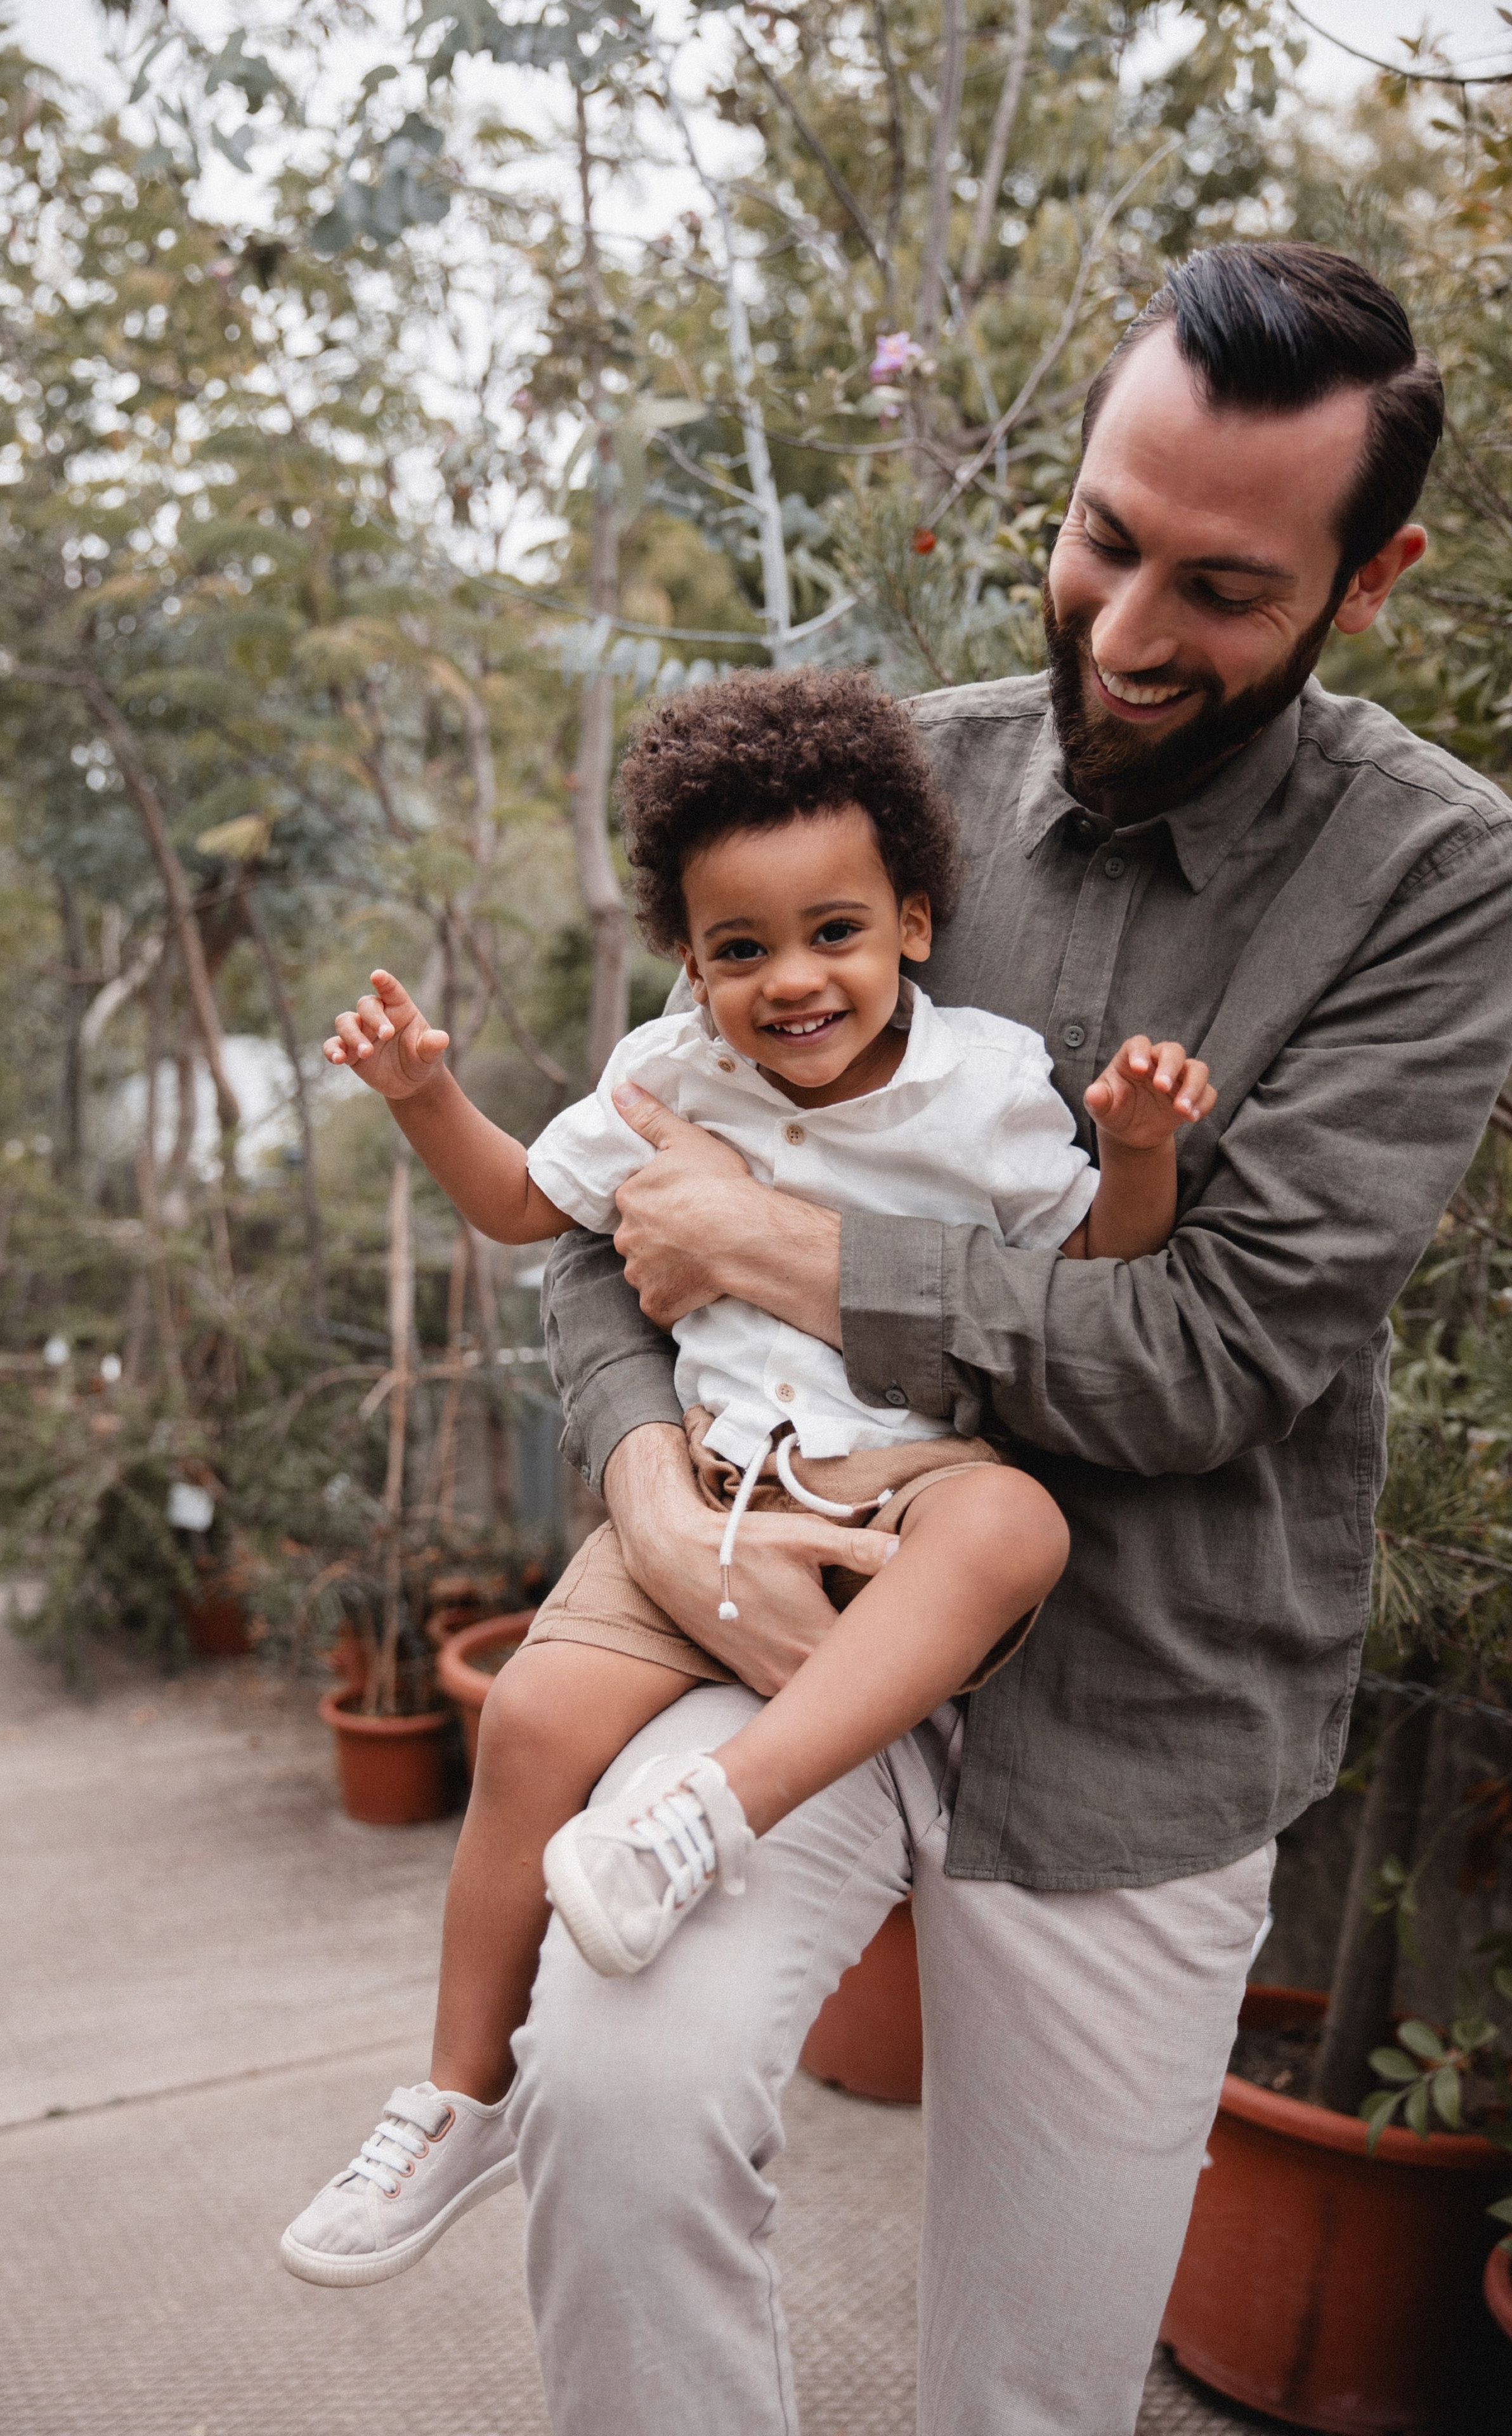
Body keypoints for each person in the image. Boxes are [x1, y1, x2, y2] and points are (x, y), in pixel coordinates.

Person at [504, 242, 1512, 2436]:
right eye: (1101, 537)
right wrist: (647, 1491)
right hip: (782, 1635)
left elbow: (1209, 1355)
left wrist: (787, 1249)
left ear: (1373, 579)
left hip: (1146, 1706)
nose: (1130, 632)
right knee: (609, 2098)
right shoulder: (883, 795)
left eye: (1223, 591)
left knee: (1029, 2394)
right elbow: (606, 1217)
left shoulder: (1437, 881)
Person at [280, 667, 1217, 2289]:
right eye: (738, 949)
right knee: (528, 1722)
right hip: (710, 1481)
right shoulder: (664, 1078)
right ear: (688, 959)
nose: (790, 979)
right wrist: (424, 1093)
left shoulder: (985, 1086)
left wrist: (1136, 1150)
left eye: (832, 932)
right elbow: (524, 1211)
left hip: (905, 1471)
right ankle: (456, 2095)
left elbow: (1097, 1270)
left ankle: (708, 1816)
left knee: (1013, 1520)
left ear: (911, 923)